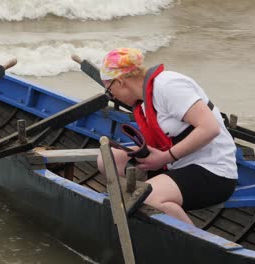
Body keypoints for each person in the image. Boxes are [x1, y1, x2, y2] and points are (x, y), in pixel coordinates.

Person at [96, 48, 238, 225]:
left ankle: (194, 244)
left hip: (213, 171)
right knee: (109, 159)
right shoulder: (144, 101)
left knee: (147, 197)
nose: (112, 96)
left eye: (109, 91)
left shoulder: (168, 86)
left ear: (119, 82)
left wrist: (165, 157)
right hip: (174, 164)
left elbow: (210, 128)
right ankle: (132, 212)